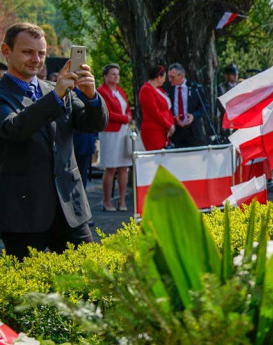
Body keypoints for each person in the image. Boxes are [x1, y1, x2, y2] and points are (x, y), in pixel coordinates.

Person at [0, 23, 108, 259]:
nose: (36, 59)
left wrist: (91, 96)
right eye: (27, 52)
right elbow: (14, 129)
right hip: (23, 214)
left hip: (71, 210)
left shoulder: (56, 90)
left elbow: (94, 124)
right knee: (28, 292)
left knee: (93, 280)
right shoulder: (6, 94)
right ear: (6, 51)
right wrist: (56, 96)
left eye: (41, 53)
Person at [96, 64, 133, 211]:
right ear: (105, 76)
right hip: (110, 132)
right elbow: (107, 112)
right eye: (112, 74)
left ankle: (122, 200)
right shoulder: (101, 92)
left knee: (123, 167)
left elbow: (127, 107)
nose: (116, 77)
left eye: (117, 74)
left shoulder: (120, 91)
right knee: (111, 168)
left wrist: (128, 115)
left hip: (123, 132)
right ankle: (106, 201)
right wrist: (125, 118)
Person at [164, 63, 209, 147]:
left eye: (172, 77)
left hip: (193, 132)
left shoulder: (195, 88)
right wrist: (173, 118)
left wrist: (194, 116)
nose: (170, 80)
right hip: (176, 133)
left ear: (181, 76)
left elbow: (205, 107)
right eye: (169, 77)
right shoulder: (167, 89)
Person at [139, 64, 174, 150]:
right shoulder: (146, 90)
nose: (164, 80)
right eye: (164, 77)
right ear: (158, 77)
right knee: (157, 159)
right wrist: (169, 125)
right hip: (153, 131)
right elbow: (155, 112)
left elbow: (166, 109)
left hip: (163, 131)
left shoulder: (159, 89)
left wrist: (171, 123)